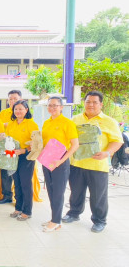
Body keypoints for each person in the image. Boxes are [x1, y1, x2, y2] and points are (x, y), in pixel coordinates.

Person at [62, 91, 123, 233]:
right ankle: (74, 213)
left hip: (98, 165)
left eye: (95, 102)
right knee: (76, 191)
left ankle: (99, 220)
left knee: (98, 195)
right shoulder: (75, 119)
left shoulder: (109, 121)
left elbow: (117, 141)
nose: (91, 105)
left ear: (101, 104)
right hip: (77, 163)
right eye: (88, 102)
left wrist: (107, 153)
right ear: (84, 103)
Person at [41, 97, 79, 232]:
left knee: (58, 191)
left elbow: (75, 145)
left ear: (61, 107)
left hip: (60, 162)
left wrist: (60, 161)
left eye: (55, 105)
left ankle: (56, 220)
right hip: (47, 160)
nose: (52, 108)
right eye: (49, 105)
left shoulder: (67, 123)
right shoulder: (46, 122)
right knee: (51, 191)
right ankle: (54, 219)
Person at [6, 100, 39, 221]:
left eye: (21, 109)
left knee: (25, 184)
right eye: (16, 109)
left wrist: (24, 150)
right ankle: (18, 208)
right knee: (17, 183)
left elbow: (36, 143)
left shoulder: (32, 124)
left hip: (27, 157)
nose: (18, 111)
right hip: (13, 156)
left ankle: (27, 211)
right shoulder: (11, 124)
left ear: (26, 110)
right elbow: (7, 142)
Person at [0, 90, 22, 205]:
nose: (12, 101)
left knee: (18, 174)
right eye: (10, 99)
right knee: (6, 171)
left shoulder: (24, 112)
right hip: (6, 146)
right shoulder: (3, 113)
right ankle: (7, 195)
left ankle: (19, 198)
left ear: (20, 99)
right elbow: (0, 128)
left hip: (19, 148)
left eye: (15, 99)